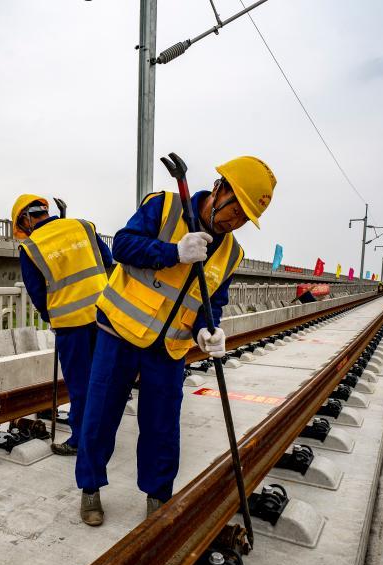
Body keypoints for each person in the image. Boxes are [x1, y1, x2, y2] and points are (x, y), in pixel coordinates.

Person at [75, 156, 276, 526]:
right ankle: (90, 488)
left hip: (169, 346)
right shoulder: (164, 207)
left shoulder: (231, 252)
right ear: (219, 189)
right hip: (118, 330)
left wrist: (207, 330)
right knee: (101, 413)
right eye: (237, 209)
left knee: (163, 425)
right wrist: (173, 253)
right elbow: (123, 246)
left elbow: (211, 300)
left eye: (247, 217)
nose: (237, 222)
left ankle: (157, 496)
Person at [12, 194, 113, 456]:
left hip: (71, 326)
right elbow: (108, 259)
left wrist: (53, 316)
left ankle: (81, 439)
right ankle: (103, 431)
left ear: (25, 219)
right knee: (102, 378)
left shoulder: (31, 248)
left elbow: (36, 293)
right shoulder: (83, 226)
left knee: (80, 385)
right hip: (104, 316)